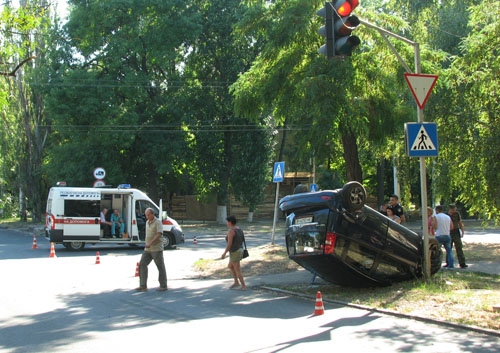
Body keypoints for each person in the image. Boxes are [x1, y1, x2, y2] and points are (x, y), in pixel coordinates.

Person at [136, 208, 168, 291]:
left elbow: (159, 234)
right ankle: (143, 285)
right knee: (142, 264)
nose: (147, 217)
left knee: (160, 266)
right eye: (146, 215)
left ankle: (163, 285)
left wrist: (150, 242)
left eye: (148, 215)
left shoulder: (158, 222)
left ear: (153, 214)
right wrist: (147, 243)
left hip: (156, 248)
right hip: (148, 249)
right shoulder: (147, 222)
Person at [221, 215, 246, 291]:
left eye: (227, 221)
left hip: (235, 251)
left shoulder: (231, 231)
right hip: (239, 249)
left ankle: (243, 286)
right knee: (230, 266)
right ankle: (236, 282)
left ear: (230, 222)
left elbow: (229, 243)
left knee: (237, 269)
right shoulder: (239, 229)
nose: (226, 223)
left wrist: (224, 253)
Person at [433, 205, 454, 269]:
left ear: (437, 210)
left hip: (439, 235)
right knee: (449, 251)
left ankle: (436, 264)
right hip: (447, 235)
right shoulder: (448, 217)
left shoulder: (436, 217)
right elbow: (452, 227)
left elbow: (435, 227)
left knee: (436, 251)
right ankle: (451, 265)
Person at [448, 204, 468, 268]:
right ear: (450, 209)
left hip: (456, 232)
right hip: (449, 232)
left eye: (454, 209)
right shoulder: (446, 215)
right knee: (449, 248)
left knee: (459, 248)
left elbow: (460, 223)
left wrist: (462, 231)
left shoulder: (457, 214)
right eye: (452, 209)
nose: (454, 211)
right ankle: (448, 262)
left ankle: (462, 263)